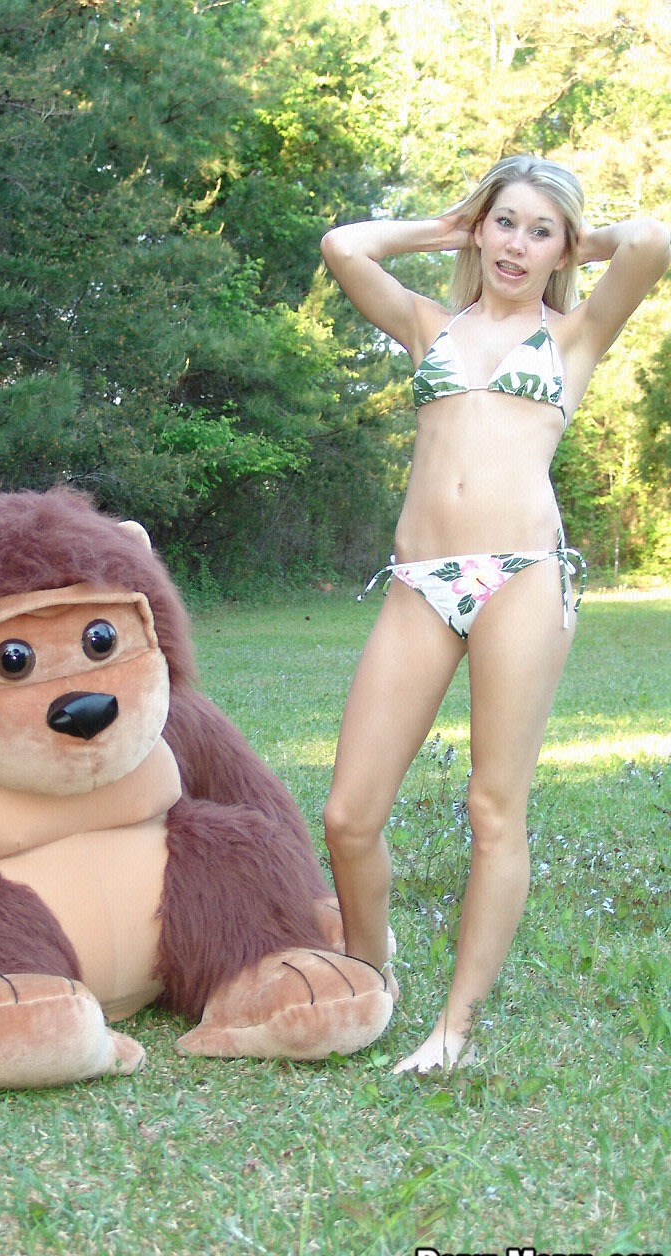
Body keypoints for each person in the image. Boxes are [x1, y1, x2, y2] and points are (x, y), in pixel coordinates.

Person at [319, 155, 669, 1074]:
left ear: (563, 250)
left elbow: (651, 241)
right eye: (504, 222)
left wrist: (572, 241)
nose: (517, 244)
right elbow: (345, 245)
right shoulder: (428, 324)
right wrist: (449, 226)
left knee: (493, 806)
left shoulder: (574, 336)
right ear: (480, 228)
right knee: (349, 816)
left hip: (523, 577)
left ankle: (454, 1031)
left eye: (539, 231)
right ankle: (372, 970)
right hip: (421, 581)